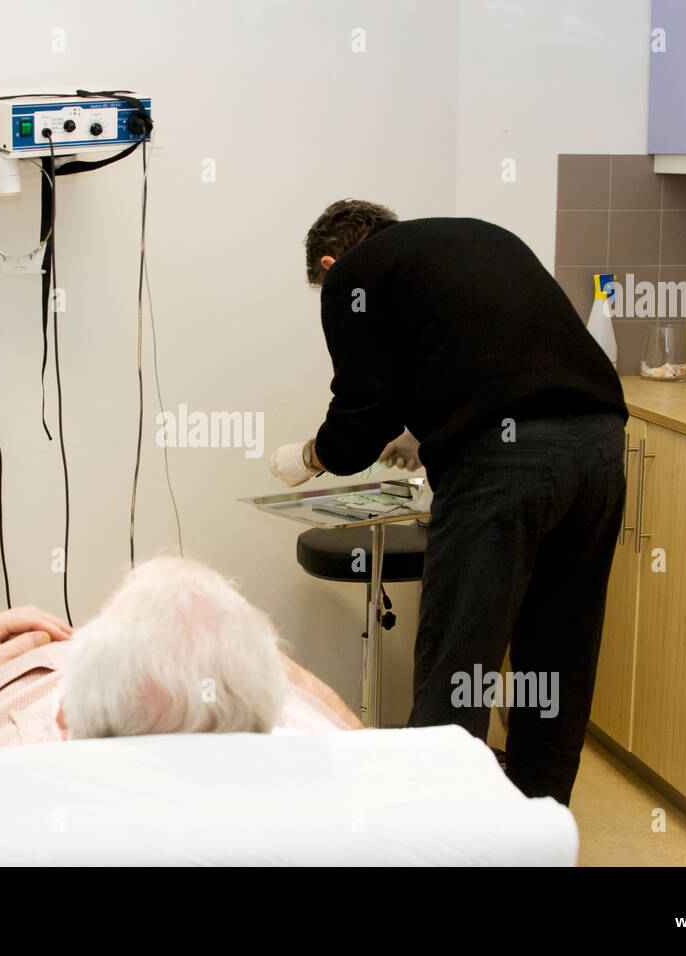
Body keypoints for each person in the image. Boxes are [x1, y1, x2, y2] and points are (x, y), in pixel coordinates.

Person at [269, 200, 628, 805]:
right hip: (599, 447)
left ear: (330, 262)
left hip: (503, 469)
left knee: (459, 661)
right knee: (558, 653)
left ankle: (436, 832)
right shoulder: (479, 237)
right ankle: (542, 827)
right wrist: (426, 428)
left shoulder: (353, 277)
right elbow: (486, 352)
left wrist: (310, 457)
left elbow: (359, 415)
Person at [0, 556, 360, 865]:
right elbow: (393, 770)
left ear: (66, 720)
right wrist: (302, 685)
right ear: (268, 713)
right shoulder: (333, 766)